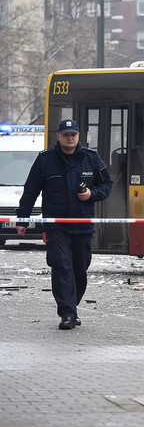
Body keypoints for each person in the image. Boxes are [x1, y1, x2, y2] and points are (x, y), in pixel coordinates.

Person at [16, 119, 113, 330]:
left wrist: (91, 194)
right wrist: (23, 218)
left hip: (82, 224)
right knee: (61, 267)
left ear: (78, 136)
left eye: (73, 134)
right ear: (58, 136)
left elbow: (107, 184)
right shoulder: (46, 160)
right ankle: (67, 313)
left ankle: (72, 307)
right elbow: (31, 189)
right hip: (56, 225)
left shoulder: (91, 158)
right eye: (66, 134)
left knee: (80, 269)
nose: (70, 138)